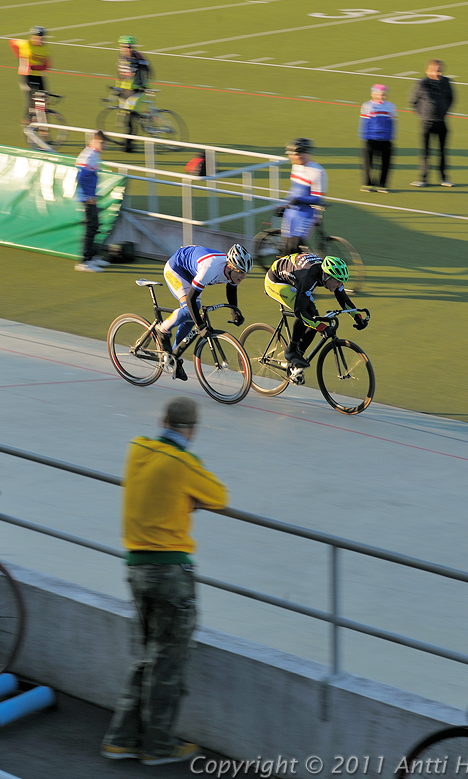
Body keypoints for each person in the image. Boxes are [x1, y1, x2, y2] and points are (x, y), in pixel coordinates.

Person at [101, 396, 228, 766]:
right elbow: (219, 496)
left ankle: (120, 738)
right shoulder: (185, 462)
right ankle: (157, 746)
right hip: (171, 573)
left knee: (147, 656)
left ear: (162, 420)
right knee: (169, 661)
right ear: (193, 430)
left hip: (136, 568)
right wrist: (190, 499)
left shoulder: (137, 449)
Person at [155, 244, 253, 381]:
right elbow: (190, 299)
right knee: (190, 310)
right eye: (241, 272)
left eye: (246, 272)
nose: (244, 277)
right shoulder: (211, 269)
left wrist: (235, 311)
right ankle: (162, 329)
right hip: (176, 268)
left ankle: (174, 356)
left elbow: (231, 289)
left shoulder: (232, 272)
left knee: (191, 318)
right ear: (230, 267)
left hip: (193, 271)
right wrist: (200, 326)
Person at [264, 252, 367, 369]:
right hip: (276, 281)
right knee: (308, 313)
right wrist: (322, 327)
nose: (340, 285)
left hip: (296, 275)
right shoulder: (309, 277)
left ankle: (295, 361)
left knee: (314, 320)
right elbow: (300, 312)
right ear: (327, 275)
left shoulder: (328, 275)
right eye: (338, 281)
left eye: (341, 282)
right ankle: (291, 351)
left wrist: (357, 317)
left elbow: (343, 299)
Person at [409, 59, 454, 187]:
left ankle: (444, 178)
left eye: (439, 70)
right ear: (427, 71)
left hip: (441, 122)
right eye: (434, 70)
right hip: (426, 123)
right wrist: (422, 114)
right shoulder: (422, 83)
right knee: (425, 152)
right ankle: (423, 179)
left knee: (442, 151)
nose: (437, 73)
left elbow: (451, 98)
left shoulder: (446, 82)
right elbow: (413, 101)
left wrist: (444, 111)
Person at [279, 138, 327, 254]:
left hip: (306, 214)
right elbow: (293, 190)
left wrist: (300, 199)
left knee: (295, 246)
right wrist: (283, 205)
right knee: (286, 247)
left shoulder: (317, 172)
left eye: (294, 154)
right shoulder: (296, 167)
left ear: (303, 154)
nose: (291, 157)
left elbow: (318, 198)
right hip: (292, 213)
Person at [74, 131, 111, 273]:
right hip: (87, 198)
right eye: (101, 143)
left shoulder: (93, 154)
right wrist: (89, 196)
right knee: (91, 228)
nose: (103, 145)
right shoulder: (89, 155)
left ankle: (92, 256)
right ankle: (85, 261)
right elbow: (82, 177)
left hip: (90, 197)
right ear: (94, 141)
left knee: (94, 226)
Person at [359, 83, 397, 194]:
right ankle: (367, 184)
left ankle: (382, 185)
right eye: (381, 94)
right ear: (373, 94)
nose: (383, 96)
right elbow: (364, 123)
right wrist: (366, 136)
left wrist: (390, 136)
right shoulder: (367, 106)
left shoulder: (390, 106)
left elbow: (392, 123)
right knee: (368, 163)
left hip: (386, 139)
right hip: (371, 139)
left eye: (384, 94)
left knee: (385, 163)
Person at [115, 34, 151, 153]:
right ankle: (141, 120)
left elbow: (148, 70)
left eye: (130, 46)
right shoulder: (121, 57)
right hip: (125, 91)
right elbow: (120, 75)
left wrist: (145, 85)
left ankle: (128, 145)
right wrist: (117, 88)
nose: (128, 49)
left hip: (136, 90)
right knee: (125, 117)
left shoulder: (138, 56)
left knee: (128, 117)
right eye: (125, 46)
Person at [9, 26, 51, 125]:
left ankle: (43, 125)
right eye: (36, 37)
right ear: (31, 36)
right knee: (30, 100)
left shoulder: (45, 48)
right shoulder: (25, 44)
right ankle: (27, 120)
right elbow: (12, 42)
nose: (39, 39)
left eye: (41, 37)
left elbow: (47, 65)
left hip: (38, 76)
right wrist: (19, 56)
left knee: (44, 99)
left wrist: (36, 67)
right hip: (26, 76)